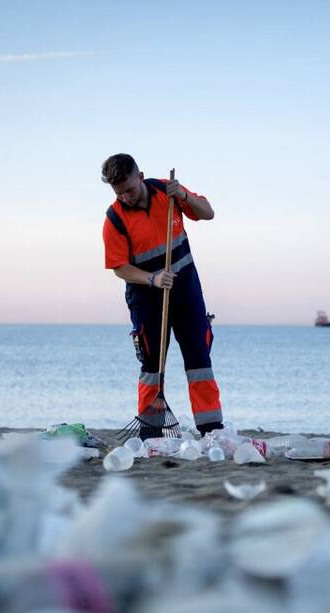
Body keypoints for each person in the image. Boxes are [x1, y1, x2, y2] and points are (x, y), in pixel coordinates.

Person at [100, 153, 223, 436]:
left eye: (129, 190)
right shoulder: (114, 219)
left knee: (199, 358)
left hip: (187, 287)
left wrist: (182, 194)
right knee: (152, 365)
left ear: (140, 177)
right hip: (145, 296)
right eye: (119, 193)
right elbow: (119, 267)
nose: (126, 197)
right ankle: (150, 432)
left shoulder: (167, 193)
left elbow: (208, 212)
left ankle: (212, 428)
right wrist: (152, 279)